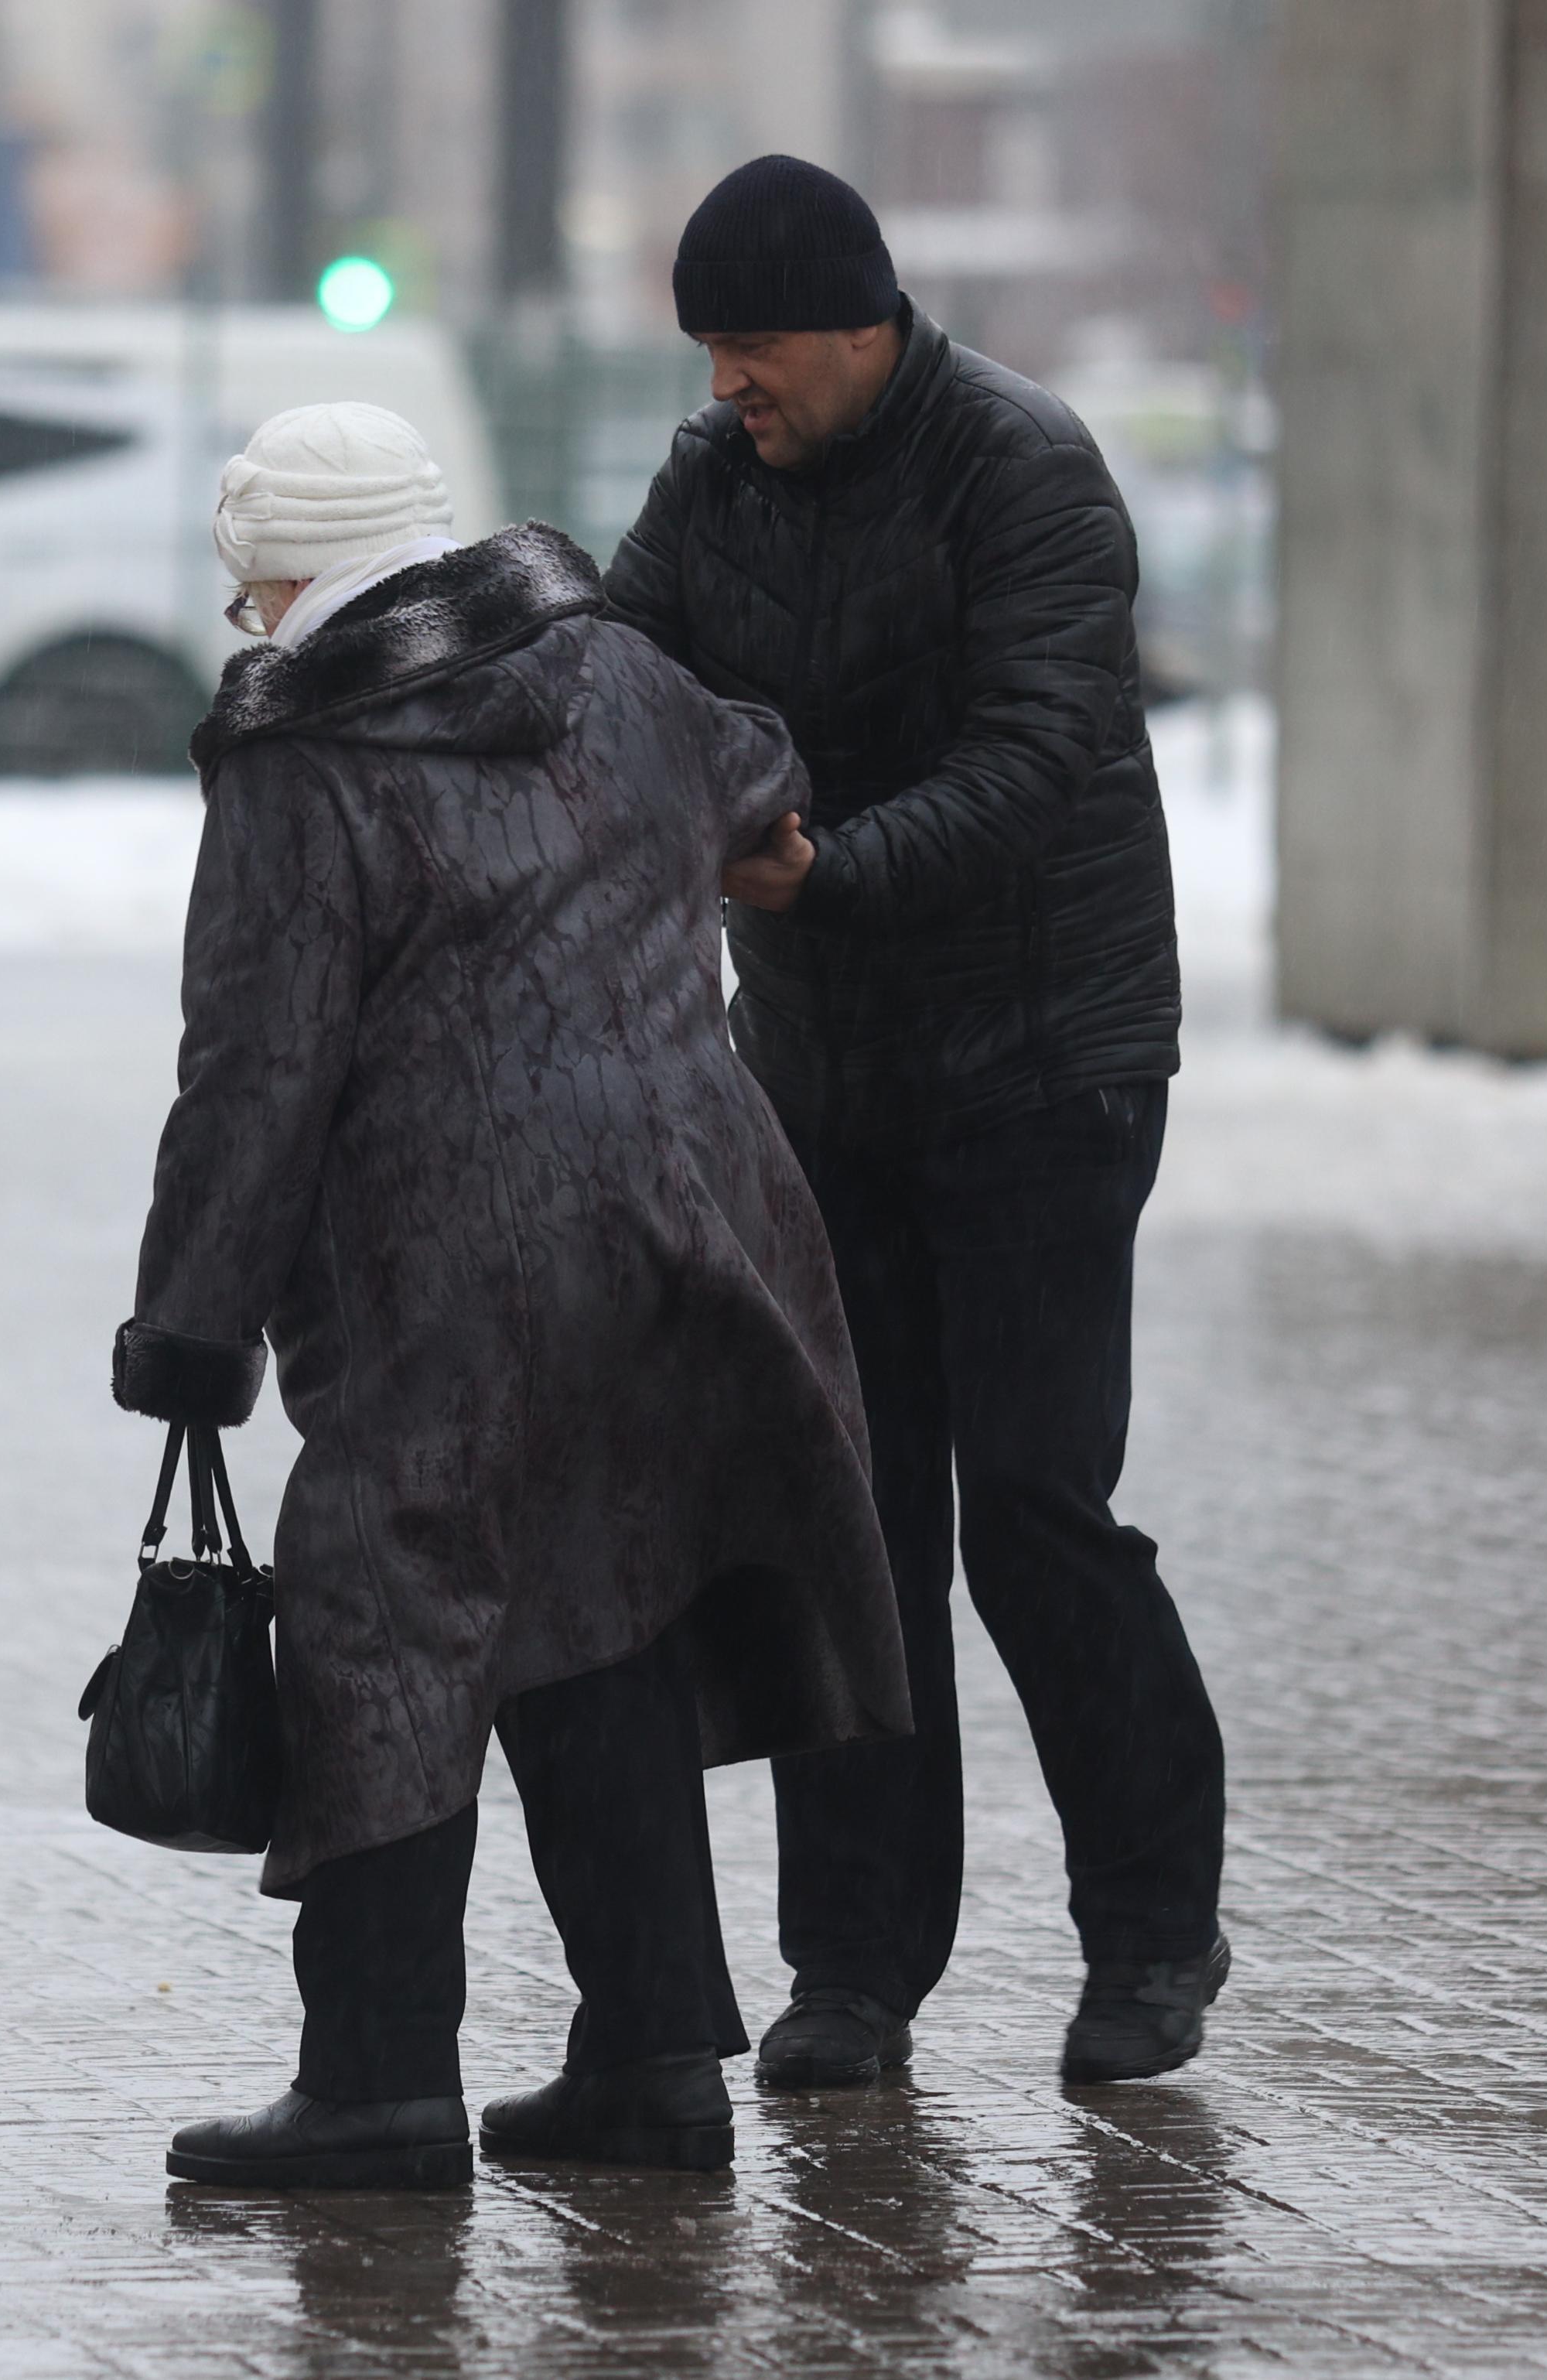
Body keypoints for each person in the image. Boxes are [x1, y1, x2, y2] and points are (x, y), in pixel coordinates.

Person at [111, 401, 910, 2190]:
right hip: (692, 1216)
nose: (251, 625)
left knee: (384, 1623)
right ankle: (651, 2065)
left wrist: (188, 1328)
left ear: (293, 576)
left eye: (254, 592)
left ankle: (378, 2080)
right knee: (601, 1605)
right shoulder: (616, 674)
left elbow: (255, 1069)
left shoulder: (302, 751)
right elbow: (761, 766)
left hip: (452, 1255)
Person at [603, 156, 1231, 2089]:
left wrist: (831, 872)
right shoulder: (713, 482)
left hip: (1044, 1063)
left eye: (756, 347)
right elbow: (614, 680)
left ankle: (1151, 1934)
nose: (727, 385)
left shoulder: (1021, 467)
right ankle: (856, 1970)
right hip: (825, 1077)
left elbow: (1038, 751)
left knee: (1035, 1510)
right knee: (855, 1535)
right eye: (708, 352)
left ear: (863, 328)